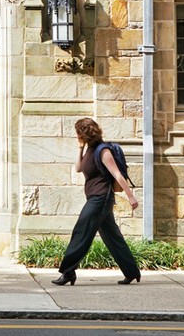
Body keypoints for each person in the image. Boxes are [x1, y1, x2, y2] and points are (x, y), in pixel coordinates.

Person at [52, 118, 140, 286]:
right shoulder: (90, 149)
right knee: (112, 237)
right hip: (94, 197)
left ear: (83, 133)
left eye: (78, 133)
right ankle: (132, 272)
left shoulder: (103, 150)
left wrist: (130, 196)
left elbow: (118, 176)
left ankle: (68, 272)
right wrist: (80, 147)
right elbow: (78, 168)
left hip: (101, 199)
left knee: (81, 231)